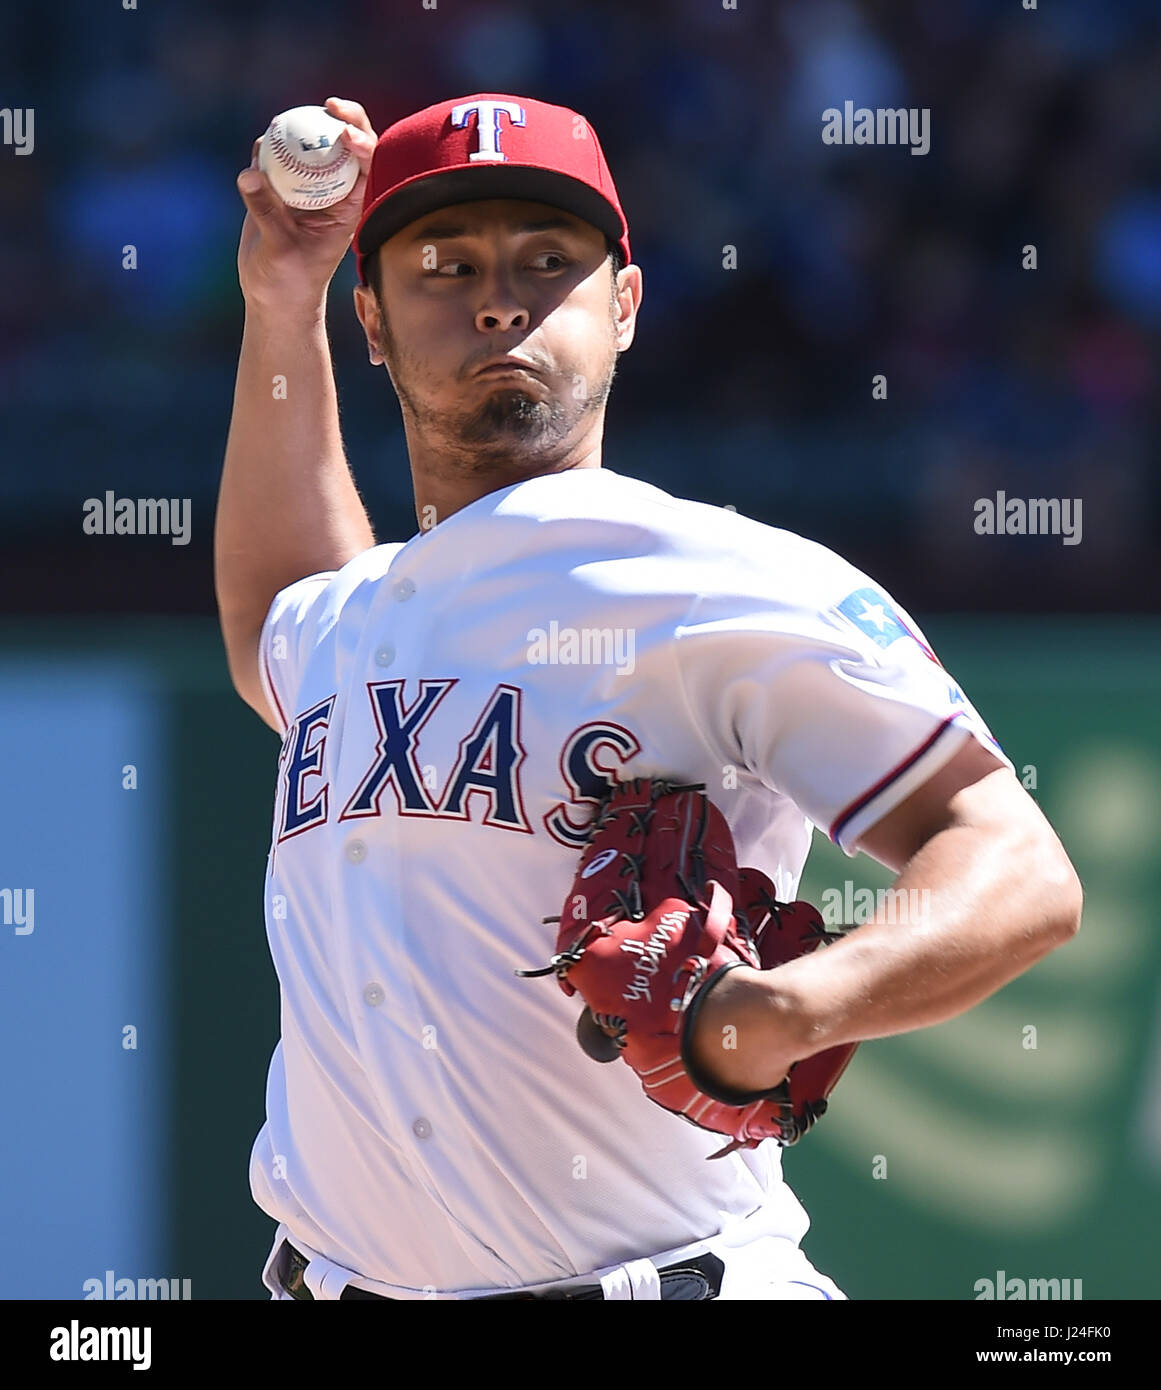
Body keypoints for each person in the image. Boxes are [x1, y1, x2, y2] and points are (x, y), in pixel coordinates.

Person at [217, 92, 1083, 1301]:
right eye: (444, 264)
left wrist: (784, 1009)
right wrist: (278, 303)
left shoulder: (720, 578)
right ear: (371, 318)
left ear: (624, 305)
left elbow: (1015, 863)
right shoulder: (350, 615)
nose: (499, 298)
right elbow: (272, 617)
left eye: (549, 261)